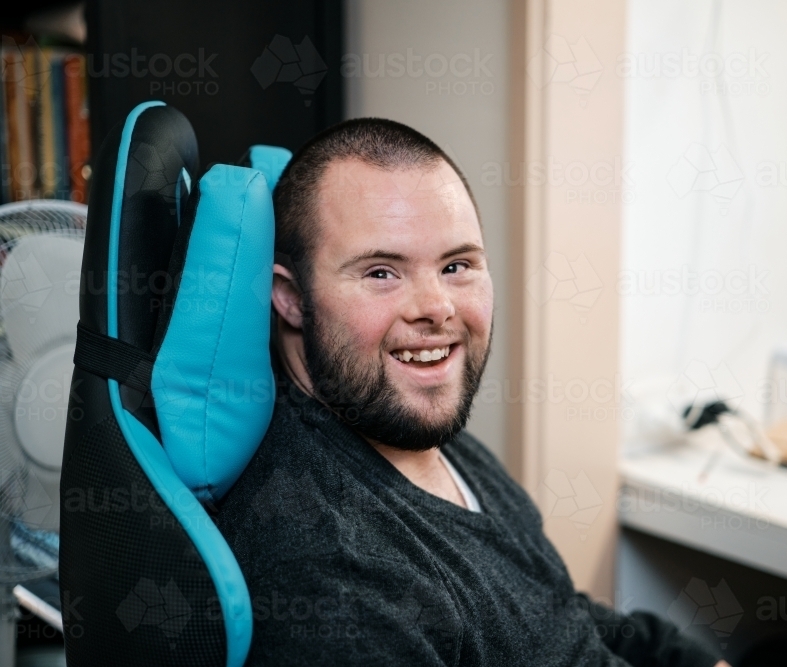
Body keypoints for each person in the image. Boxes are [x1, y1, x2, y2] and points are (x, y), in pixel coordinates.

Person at [215, 118, 729, 667]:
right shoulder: (335, 576)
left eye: (457, 265)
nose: (437, 307)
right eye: (382, 273)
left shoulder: (412, 427)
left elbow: (560, 617)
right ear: (290, 299)